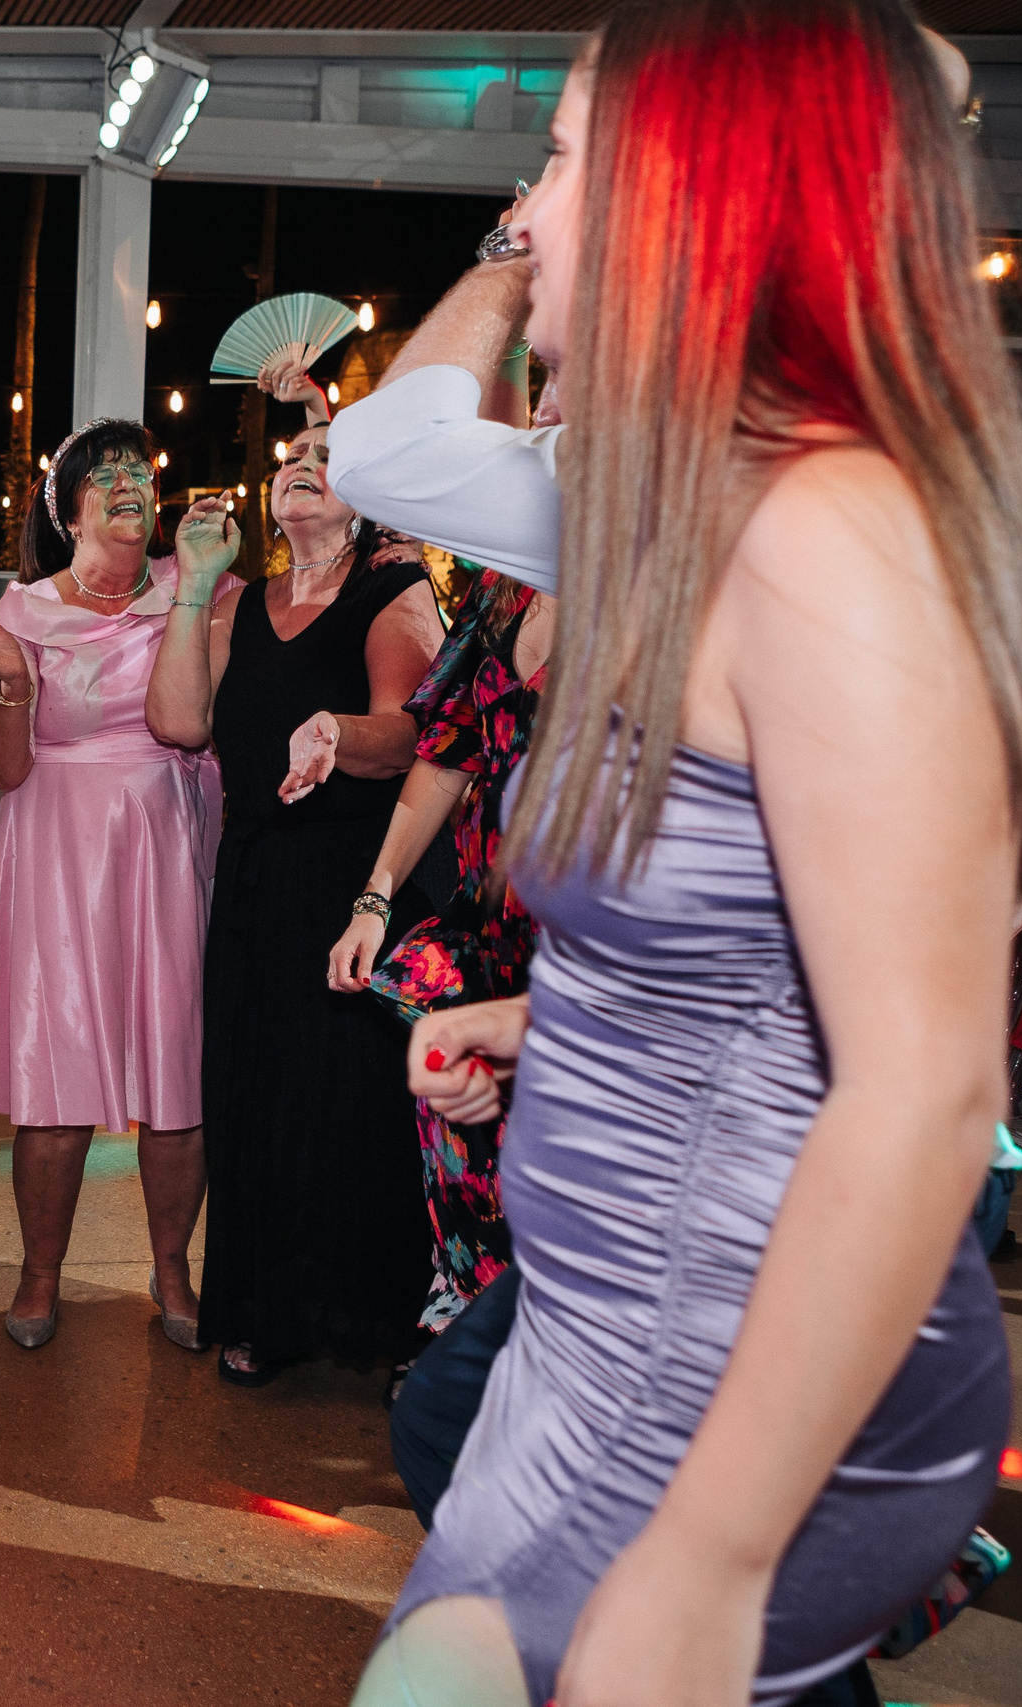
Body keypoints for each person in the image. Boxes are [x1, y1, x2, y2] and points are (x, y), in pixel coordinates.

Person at [337, 11, 1022, 1704]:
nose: (529, 209)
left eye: (570, 157)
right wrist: (549, 1023)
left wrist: (714, 1552)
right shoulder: (698, 499)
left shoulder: (825, 531)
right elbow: (749, 914)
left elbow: (929, 1090)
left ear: (693, 198)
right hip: (611, 1319)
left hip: (704, 1355)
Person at [145, 407, 446, 1388]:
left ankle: (378, 1321)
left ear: (367, 503)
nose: (301, 469)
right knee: (258, 1093)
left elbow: (409, 735)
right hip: (257, 874)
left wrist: (334, 734)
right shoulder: (240, 601)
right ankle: (266, 1313)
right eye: (293, 458)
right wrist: (192, 583)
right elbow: (181, 720)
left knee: (348, 1103)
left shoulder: (390, 588)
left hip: (349, 871)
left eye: (327, 460)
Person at [0, 418, 223, 1350]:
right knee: (56, 1083)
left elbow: (205, 723)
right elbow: (4, 770)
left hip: (161, 842)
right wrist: (13, 689)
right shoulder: (19, 611)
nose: (130, 484)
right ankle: (37, 1275)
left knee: (175, 1074)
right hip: (54, 845)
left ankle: (175, 1268)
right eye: (105, 475)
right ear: (68, 513)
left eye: (141, 471)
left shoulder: (195, 590)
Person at [319, 349, 561, 1341]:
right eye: (537, 384)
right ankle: (476, 1332)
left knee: (566, 1177)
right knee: (463, 1152)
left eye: (561, 383)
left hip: (589, 947)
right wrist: (374, 898)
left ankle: (540, 1361)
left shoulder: (660, 591)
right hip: (482, 935)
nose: (541, 407)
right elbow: (447, 751)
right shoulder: (505, 591)